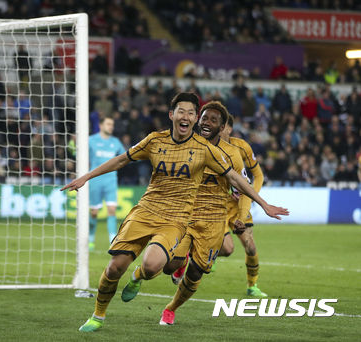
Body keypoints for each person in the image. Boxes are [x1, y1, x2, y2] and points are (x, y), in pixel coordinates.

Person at [61, 92, 288, 332]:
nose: (187, 116)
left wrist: (262, 203)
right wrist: (86, 176)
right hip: (146, 211)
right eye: (183, 111)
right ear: (172, 115)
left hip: (177, 219)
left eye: (191, 113)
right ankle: (98, 315)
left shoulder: (207, 150)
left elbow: (234, 177)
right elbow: (121, 160)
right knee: (115, 267)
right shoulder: (154, 141)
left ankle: (145, 282)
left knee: (153, 266)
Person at [159, 101, 248, 325]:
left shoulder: (233, 155)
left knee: (198, 272)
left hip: (214, 219)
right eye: (205, 118)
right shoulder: (185, 143)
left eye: (214, 121)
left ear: (223, 127)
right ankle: (177, 263)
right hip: (185, 214)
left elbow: (243, 189)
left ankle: (171, 308)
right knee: (169, 264)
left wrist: (240, 216)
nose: (207, 123)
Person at [218, 114, 267, 297]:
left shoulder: (242, 147)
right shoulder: (207, 148)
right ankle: (203, 255)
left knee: (251, 247)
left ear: (228, 128)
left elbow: (258, 175)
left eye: (220, 126)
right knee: (226, 248)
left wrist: (251, 195)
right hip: (218, 205)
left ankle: (252, 286)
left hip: (239, 206)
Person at [88, 116, 126, 250]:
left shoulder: (115, 142)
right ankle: (90, 239)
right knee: (94, 212)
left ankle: (113, 241)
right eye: (109, 124)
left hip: (111, 180)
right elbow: (79, 156)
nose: (111, 127)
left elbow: (125, 157)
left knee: (112, 210)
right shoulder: (90, 141)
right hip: (95, 181)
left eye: (112, 124)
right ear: (101, 125)